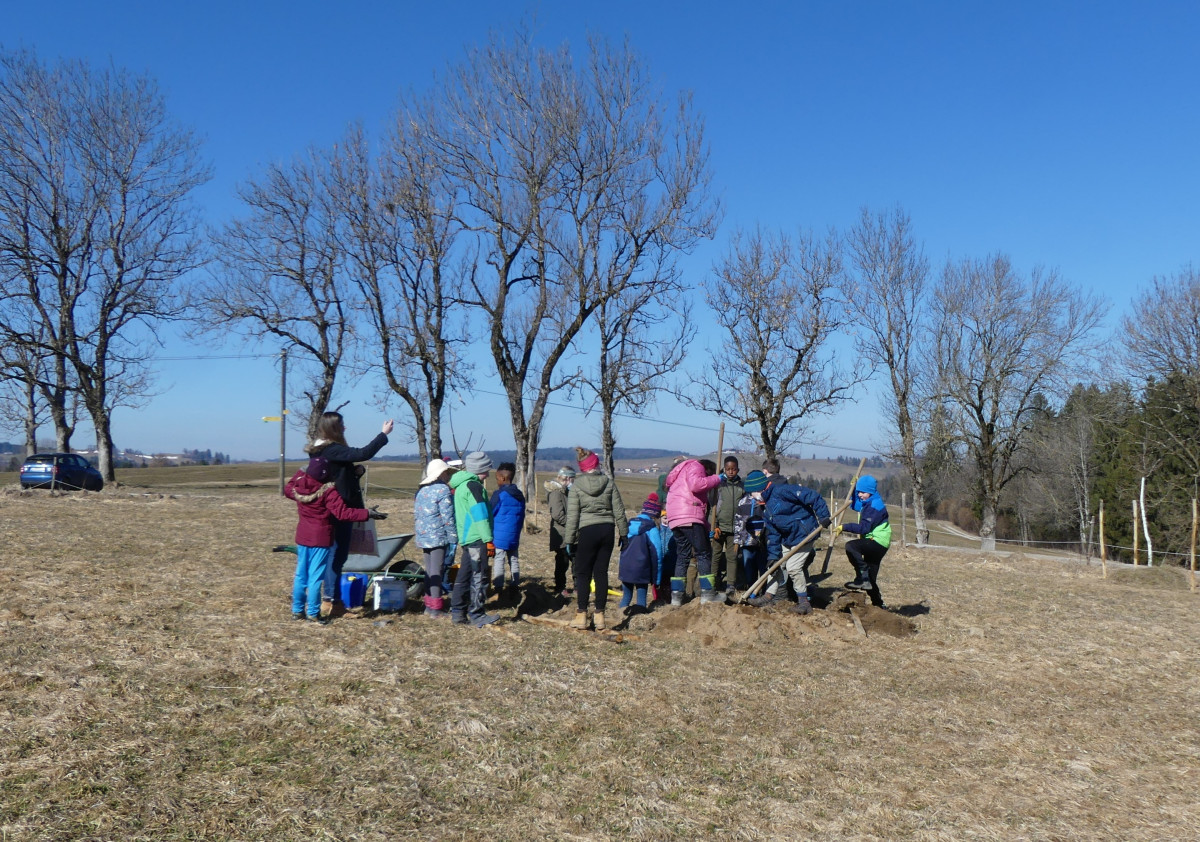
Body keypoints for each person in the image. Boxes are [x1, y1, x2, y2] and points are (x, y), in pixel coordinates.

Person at [305, 411, 393, 613]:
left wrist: (353, 473)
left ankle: (332, 600)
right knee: (336, 556)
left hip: (337, 508)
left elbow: (336, 474)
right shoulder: (331, 449)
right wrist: (383, 434)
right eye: (342, 425)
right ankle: (330, 601)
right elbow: (363, 453)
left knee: (336, 556)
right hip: (339, 510)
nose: (345, 428)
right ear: (333, 428)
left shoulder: (323, 450)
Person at [285, 455, 384, 624]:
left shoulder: (299, 484)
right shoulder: (328, 491)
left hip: (303, 536)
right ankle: (313, 613)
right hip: (321, 538)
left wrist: (302, 471)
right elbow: (343, 513)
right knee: (316, 577)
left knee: (301, 575)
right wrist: (367, 513)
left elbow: (288, 488)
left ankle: (297, 610)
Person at [563, 447, 628, 631]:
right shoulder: (608, 483)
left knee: (583, 574)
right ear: (596, 465)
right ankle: (600, 616)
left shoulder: (576, 486)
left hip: (587, 531)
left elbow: (573, 516)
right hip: (607, 530)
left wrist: (569, 540)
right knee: (601, 573)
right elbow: (619, 511)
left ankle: (582, 615)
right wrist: (624, 534)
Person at [749, 479, 831, 615]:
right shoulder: (766, 509)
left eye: (752, 493)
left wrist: (824, 516)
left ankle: (804, 603)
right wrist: (773, 556)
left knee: (793, 567)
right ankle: (768, 597)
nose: (752, 497)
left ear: (759, 489)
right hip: (788, 538)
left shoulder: (782, 491)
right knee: (775, 566)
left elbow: (812, 496)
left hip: (805, 534)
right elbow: (773, 535)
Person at [664, 456, 724, 605]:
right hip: (689, 517)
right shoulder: (696, 467)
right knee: (703, 553)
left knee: (683, 555)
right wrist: (716, 479)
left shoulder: (681, 474)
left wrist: (706, 527)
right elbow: (696, 485)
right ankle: (708, 594)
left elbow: (692, 504)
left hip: (676, 518)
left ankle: (676, 597)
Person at [449, 451, 499, 628]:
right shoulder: (474, 486)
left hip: (467, 538)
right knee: (479, 576)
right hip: (477, 538)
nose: (489, 472)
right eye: (487, 468)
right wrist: (488, 540)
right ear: (480, 469)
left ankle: (458, 612)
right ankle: (477, 614)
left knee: (464, 576)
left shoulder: (461, 485)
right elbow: (480, 516)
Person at [838, 475, 891, 607]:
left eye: (862, 492)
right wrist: (853, 490)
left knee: (851, 546)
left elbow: (864, 528)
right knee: (870, 582)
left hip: (877, 541)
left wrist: (844, 527)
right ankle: (879, 605)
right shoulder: (870, 501)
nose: (860, 495)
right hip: (877, 542)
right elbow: (856, 505)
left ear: (871, 492)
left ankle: (862, 575)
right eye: (859, 492)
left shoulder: (875, 506)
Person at [413, 458, 456, 618]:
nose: (447, 475)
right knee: (437, 570)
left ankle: (428, 606)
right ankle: (436, 609)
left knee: (430, 571)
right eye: (446, 472)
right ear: (441, 473)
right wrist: (453, 536)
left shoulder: (421, 490)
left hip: (424, 536)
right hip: (438, 535)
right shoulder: (442, 490)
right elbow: (448, 516)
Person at [617, 493, 667, 615]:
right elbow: (658, 555)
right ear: (656, 515)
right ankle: (639, 616)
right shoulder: (652, 529)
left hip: (625, 567)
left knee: (626, 596)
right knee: (641, 598)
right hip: (642, 569)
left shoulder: (629, 525)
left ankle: (620, 615)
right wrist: (657, 578)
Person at [488, 461, 526, 598]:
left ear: (503, 478)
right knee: (514, 559)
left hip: (499, 535)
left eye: (497, 478)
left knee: (499, 560)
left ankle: (498, 588)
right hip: (514, 535)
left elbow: (490, 512)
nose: (497, 481)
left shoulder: (499, 495)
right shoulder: (520, 495)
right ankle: (515, 585)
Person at [709, 456, 744, 595]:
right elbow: (712, 506)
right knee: (715, 555)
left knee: (732, 557)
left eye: (733, 469)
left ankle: (730, 585)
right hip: (719, 527)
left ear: (737, 470)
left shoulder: (742, 487)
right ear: (724, 469)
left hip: (735, 528)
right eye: (728, 469)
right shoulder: (718, 485)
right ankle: (711, 582)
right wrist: (713, 525)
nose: (731, 472)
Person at [734, 469, 769, 597]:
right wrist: (737, 540)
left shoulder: (765, 501)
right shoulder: (743, 502)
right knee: (749, 568)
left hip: (762, 542)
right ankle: (751, 592)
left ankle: (764, 593)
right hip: (747, 542)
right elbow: (738, 522)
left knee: (763, 568)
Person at [545, 466, 576, 599]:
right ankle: (560, 587)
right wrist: (572, 524)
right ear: (568, 478)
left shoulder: (564, 492)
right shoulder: (556, 493)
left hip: (568, 532)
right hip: (562, 533)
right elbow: (558, 514)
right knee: (562, 561)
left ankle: (577, 587)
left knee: (575, 560)